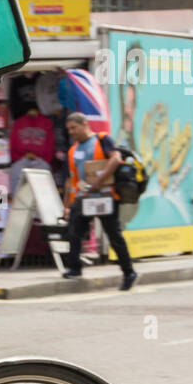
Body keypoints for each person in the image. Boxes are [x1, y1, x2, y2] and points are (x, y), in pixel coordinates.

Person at [60, 112, 137, 290]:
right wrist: (67, 206)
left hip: (105, 197)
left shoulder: (102, 139)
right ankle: (74, 268)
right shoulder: (73, 150)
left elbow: (116, 159)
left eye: (74, 127)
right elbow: (70, 180)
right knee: (74, 232)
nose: (71, 132)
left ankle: (129, 272)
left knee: (114, 236)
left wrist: (99, 181)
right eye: (69, 129)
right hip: (83, 198)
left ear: (85, 124)